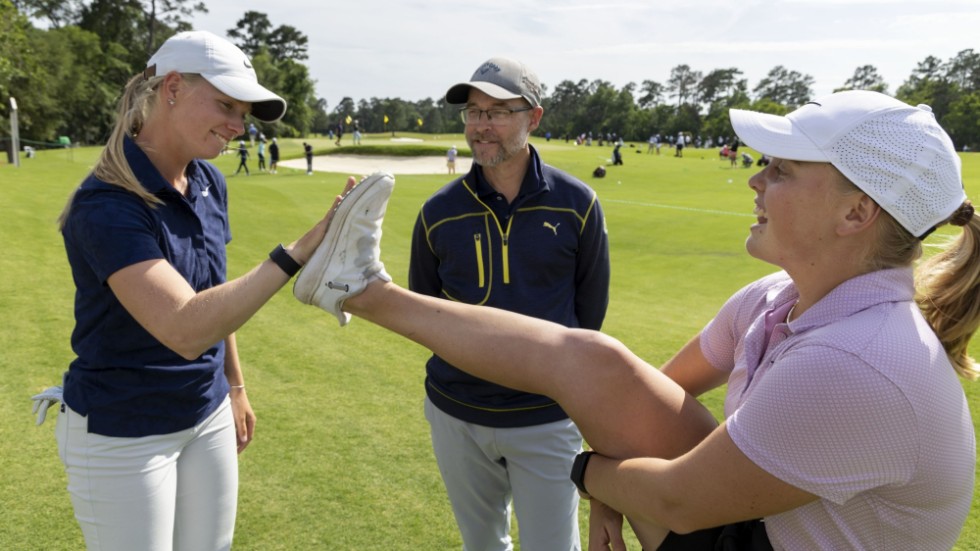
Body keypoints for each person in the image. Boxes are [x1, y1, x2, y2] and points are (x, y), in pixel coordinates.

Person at [293, 90, 978, 550]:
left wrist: (591, 474)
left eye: (780, 169)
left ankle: (359, 289)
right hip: (761, 528)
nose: (754, 181)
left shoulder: (861, 359)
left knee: (594, 368)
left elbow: (678, 503)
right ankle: (360, 289)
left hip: (749, 532)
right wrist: (610, 493)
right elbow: (642, 387)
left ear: (856, 213)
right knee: (594, 358)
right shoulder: (778, 295)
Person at [36, 30, 339, 551]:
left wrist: (235, 387)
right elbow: (183, 326)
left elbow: (212, 291)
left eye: (243, 113)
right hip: (123, 430)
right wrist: (297, 253)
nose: (237, 126)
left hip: (207, 411)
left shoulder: (206, 180)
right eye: (225, 104)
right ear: (172, 87)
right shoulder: (105, 204)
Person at [415, 56, 612, 551]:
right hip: (456, 414)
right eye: (474, 112)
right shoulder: (438, 213)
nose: (481, 126)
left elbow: (589, 318)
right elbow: (424, 314)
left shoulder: (578, 204)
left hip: (545, 416)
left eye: (498, 111)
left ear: (534, 118)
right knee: (481, 545)